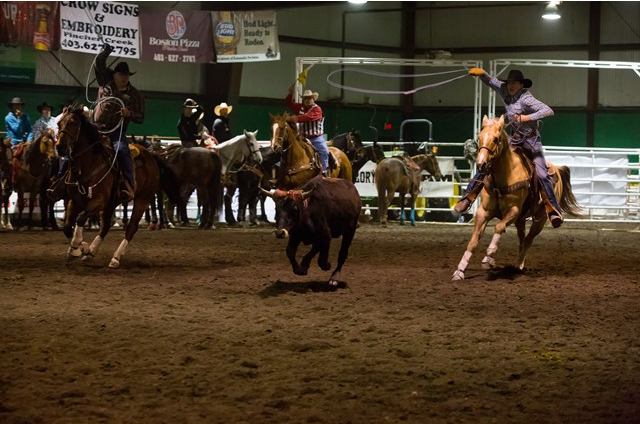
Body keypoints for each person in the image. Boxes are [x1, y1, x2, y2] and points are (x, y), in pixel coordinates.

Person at [453, 68, 563, 228]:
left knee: (541, 173)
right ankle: (467, 198)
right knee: (488, 163)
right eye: (510, 82)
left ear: (521, 85)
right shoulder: (504, 90)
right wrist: (481, 74)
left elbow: (548, 110)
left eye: (515, 83)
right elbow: (491, 82)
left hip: (531, 141)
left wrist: (527, 117)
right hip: (515, 139)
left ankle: (553, 209)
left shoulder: (526, 99)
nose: (511, 86)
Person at [94, 43, 144, 201]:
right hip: (96, 127)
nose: (124, 78)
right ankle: (61, 180)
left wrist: (129, 114)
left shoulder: (135, 95)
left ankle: (129, 186)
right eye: (121, 75)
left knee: (122, 150)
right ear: (114, 74)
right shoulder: (105, 80)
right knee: (75, 145)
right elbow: (99, 63)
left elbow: (141, 117)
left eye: (126, 75)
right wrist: (106, 51)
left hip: (117, 131)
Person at [284, 86, 329, 174]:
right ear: (303, 100)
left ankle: (324, 170)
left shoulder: (317, 109)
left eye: (310, 98)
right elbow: (289, 103)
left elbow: (307, 117)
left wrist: (292, 118)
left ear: (313, 99)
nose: (307, 100)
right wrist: (290, 93)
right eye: (305, 98)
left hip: (316, 138)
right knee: (289, 149)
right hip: (302, 138)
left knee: (324, 151)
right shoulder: (301, 107)